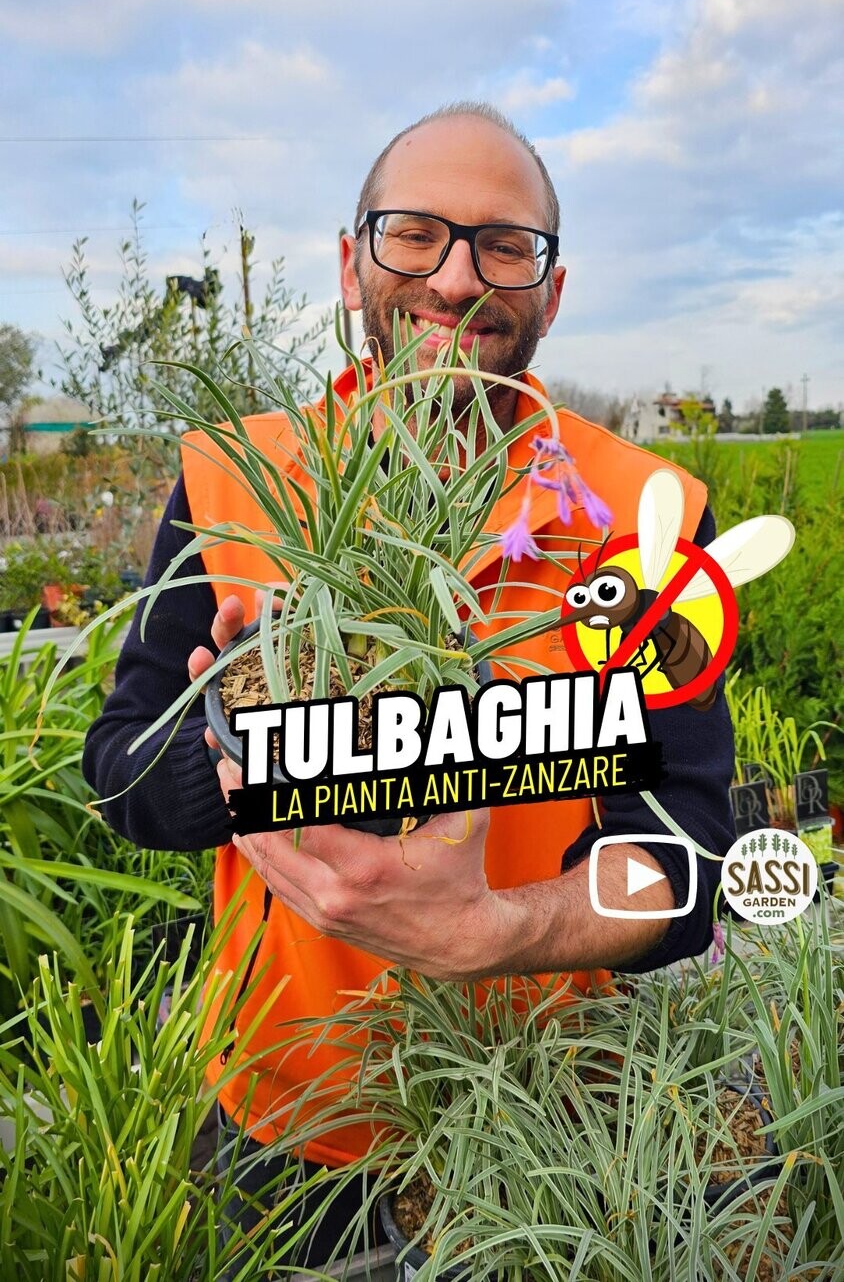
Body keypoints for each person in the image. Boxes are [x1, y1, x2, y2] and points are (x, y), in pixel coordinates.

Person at [83, 101, 736, 1271]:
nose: (455, 278)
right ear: (351, 262)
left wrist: (498, 930)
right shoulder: (239, 477)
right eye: (412, 233)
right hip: (287, 1119)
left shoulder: (645, 522)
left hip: (545, 1124)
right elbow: (121, 767)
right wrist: (246, 749)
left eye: (504, 244)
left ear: (552, 286)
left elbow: (688, 854)